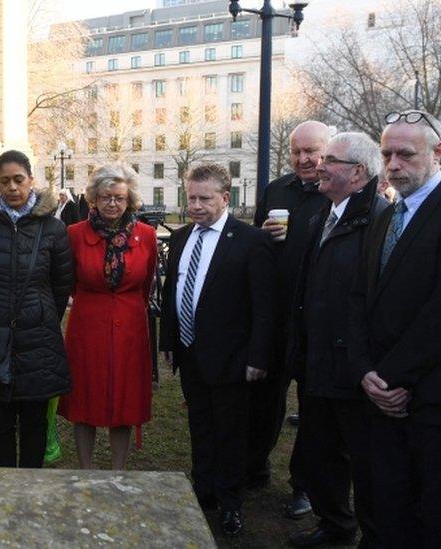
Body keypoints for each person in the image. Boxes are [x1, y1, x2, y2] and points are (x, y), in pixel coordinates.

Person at [349, 110, 441, 548]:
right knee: (386, 507)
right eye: (386, 154)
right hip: (381, 397)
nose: (393, 164)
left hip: (435, 402)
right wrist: (365, 372)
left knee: (436, 517)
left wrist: (392, 378)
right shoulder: (385, 215)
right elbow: (359, 298)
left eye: (405, 154)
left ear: (437, 152)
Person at [160, 163, 276, 537]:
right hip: (191, 352)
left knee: (230, 431)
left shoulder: (250, 240)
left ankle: (230, 503)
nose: (195, 205)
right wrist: (168, 343)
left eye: (204, 198)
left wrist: (258, 357)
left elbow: (264, 305)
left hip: (233, 357)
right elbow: (172, 294)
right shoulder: (179, 239)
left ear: (225, 198)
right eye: (190, 197)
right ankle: (204, 490)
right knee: (200, 424)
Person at [287, 132, 386, 548]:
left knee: (361, 458)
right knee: (321, 449)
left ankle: (371, 534)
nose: (320, 166)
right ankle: (335, 526)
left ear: (358, 173)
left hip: (353, 366)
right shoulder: (324, 215)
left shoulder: (380, 221)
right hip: (318, 360)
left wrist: (362, 361)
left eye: (331, 159)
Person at [0, 150, 73, 469]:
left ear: (31, 180)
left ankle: (31, 484)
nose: (12, 187)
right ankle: (5, 481)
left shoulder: (52, 229)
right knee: (0, 420)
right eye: (5, 181)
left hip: (38, 337)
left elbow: (61, 285)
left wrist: (40, 311)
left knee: (35, 420)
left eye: (18, 179)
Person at [249, 120, 333, 518]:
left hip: (318, 320)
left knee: (313, 405)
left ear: (328, 151)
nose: (303, 159)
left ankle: (303, 485)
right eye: (296, 151)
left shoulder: (338, 191)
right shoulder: (276, 189)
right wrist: (263, 236)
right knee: (265, 398)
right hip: (277, 314)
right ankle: (256, 466)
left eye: (311, 151)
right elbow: (255, 247)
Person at [58, 164, 157, 470]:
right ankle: (86, 469)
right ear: (94, 199)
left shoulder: (147, 235)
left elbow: (147, 281)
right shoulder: (74, 234)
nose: (112, 203)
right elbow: (69, 281)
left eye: (119, 198)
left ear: (129, 201)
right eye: (105, 197)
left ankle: (118, 470)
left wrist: (127, 309)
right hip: (87, 325)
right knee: (84, 399)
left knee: (124, 400)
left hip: (130, 326)